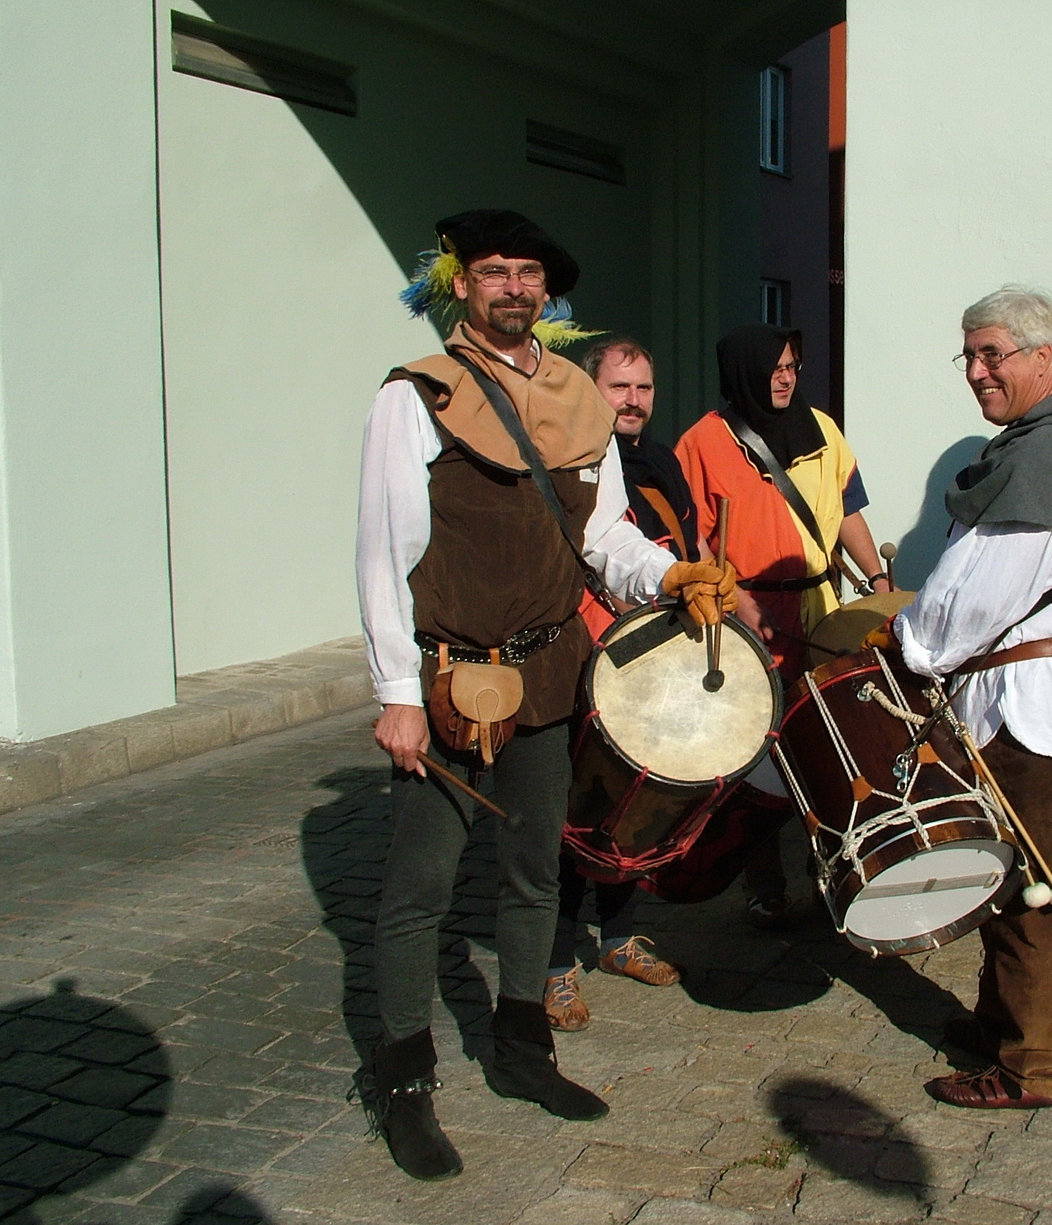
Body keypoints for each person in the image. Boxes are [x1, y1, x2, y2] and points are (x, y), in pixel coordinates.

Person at [357, 209, 736, 1179]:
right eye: (494, 271)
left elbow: (603, 537)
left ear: (546, 292)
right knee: (421, 887)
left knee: (534, 870)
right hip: (450, 677)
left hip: (549, 668)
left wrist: (669, 576)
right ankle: (402, 1083)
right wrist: (398, 691)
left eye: (527, 273)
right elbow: (382, 553)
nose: (513, 287)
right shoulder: (416, 395)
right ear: (459, 284)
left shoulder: (577, 396)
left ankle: (523, 1048)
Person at [865, 285, 1052, 1109]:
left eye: (992, 354)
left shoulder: (1045, 460)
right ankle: (999, 1023)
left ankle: (1031, 1066)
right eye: (969, 355)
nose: (976, 370)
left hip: (1029, 711)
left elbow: (974, 598)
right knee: (1018, 878)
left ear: (1043, 358)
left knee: (1031, 895)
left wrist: (908, 644)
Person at [675, 323, 891, 926]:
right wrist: (734, 598)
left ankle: (835, 871)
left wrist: (877, 580)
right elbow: (691, 538)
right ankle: (763, 882)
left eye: (792, 366)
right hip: (749, 619)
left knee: (829, 743)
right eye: (773, 369)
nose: (785, 378)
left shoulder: (821, 428)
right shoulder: (702, 442)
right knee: (758, 751)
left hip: (822, 610)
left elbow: (847, 510)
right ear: (744, 371)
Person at [545, 338, 693, 1032]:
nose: (633, 400)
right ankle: (554, 965)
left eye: (644, 387)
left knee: (636, 802)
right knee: (573, 809)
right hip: (583, 648)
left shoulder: (661, 462)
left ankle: (618, 937)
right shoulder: (570, 458)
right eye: (619, 387)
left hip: (652, 655)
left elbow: (684, 545)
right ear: (589, 390)